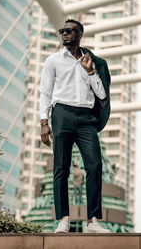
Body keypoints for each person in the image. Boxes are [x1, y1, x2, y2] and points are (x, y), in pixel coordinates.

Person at [40, 19, 111, 233]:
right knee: (61, 168)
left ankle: (93, 222)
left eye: (69, 31)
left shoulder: (92, 62)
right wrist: (44, 121)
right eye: (62, 31)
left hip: (86, 118)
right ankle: (63, 219)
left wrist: (90, 72)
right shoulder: (52, 61)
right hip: (62, 114)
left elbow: (102, 94)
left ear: (80, 34)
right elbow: (45, 92)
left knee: (95, 165)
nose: (64, 34)